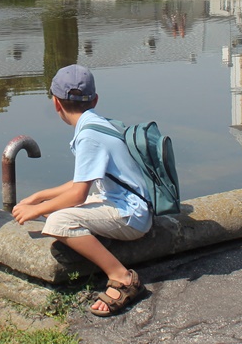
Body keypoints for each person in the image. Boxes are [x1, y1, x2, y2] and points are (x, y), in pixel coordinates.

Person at [12, 64, 151, 317]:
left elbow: (78, 194)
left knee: (57, 220)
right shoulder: (96, 124)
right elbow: (82, 182)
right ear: (95, 100)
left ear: (55, 103)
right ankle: (101, 242)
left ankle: (122, 278)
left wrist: (36, 210)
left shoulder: (88, 136)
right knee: (57, 210)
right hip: (132, 203)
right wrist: (41, 196)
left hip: (132, 214)